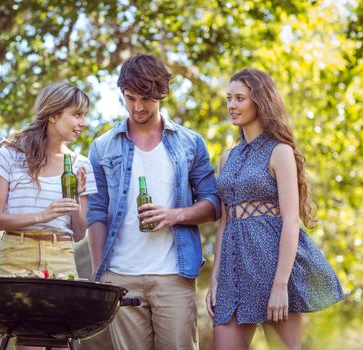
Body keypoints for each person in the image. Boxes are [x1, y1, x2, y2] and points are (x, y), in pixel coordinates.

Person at [87, 54, 220, 350]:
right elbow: (96, 212)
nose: (137, 107)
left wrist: (177, 215)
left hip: (173, 273)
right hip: (121, 275)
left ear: (162, 93)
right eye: (130, 97)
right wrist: (101, 277)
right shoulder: (102, 147)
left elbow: (214, 203)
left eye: (146, 98)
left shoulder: (190, 142)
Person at [206, 68, 344, 349]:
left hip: (275, 270)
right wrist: (215, 278)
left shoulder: (280, 151)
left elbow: (292, 220)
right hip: (234, 272)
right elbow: (225, 222)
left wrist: (281, 285)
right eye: (229, 98)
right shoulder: (226, 157)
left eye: (240, 98)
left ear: (260, 101)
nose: (231, 105)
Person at [0, 82, 96, 281]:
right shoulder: (9, 156)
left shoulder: (81, 165)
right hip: (16, 255)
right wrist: (43, 216)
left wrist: (76, 198)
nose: (84, 122)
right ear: (53, 115)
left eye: (84, 115)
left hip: (61, 256)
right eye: (77, 115)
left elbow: (79, 234)